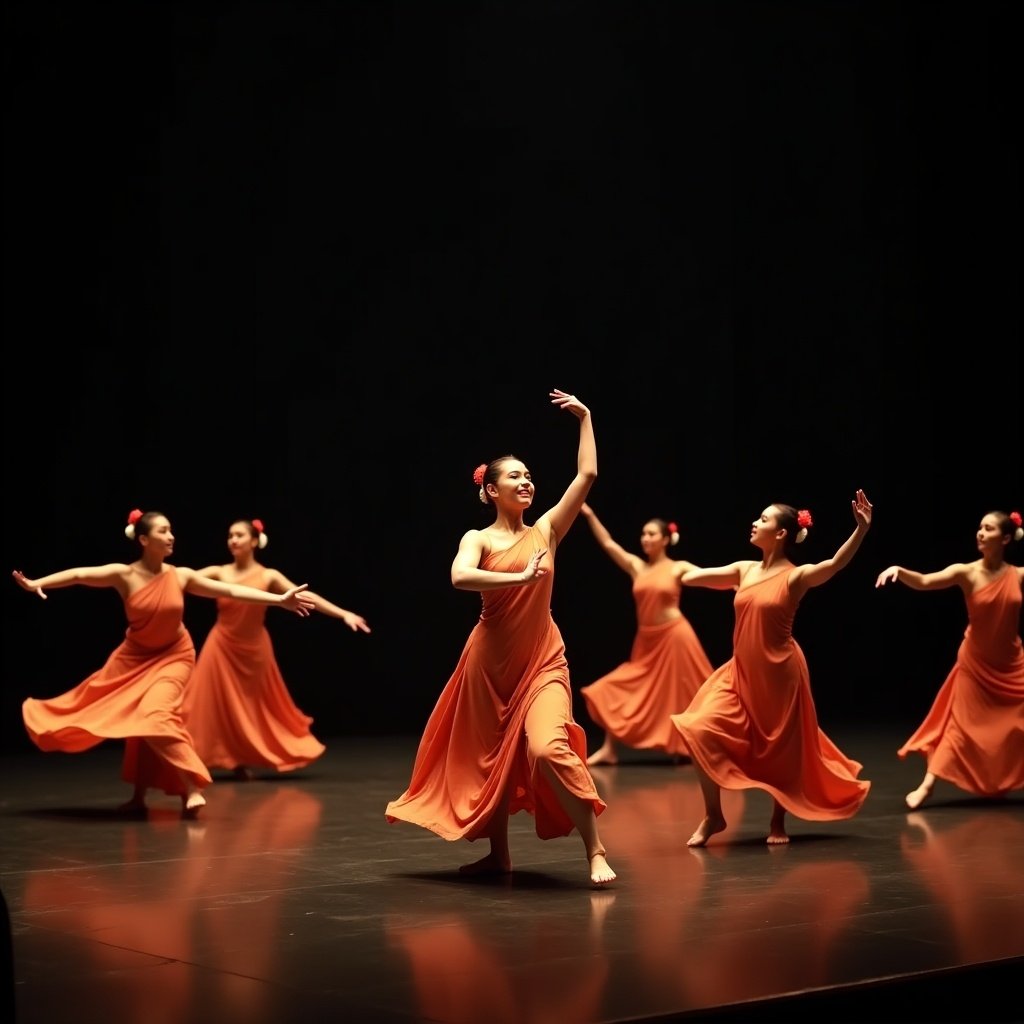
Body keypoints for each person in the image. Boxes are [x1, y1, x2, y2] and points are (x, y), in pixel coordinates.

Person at [385, 389, 616, 887]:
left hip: (542, 661)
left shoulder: (548, 530)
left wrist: (586, 419)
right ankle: (499, 856)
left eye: (529, 475)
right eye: (514, 475)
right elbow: (459, 578)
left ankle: (595, 849)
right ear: (490, 490)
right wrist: (519, 579)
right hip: (488, 666)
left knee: (547, 749)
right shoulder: (480, 538)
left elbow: (588, 475)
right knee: (487, 760)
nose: (526, 481)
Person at [14, 509, 315, 817]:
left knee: (154, 715)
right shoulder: (124, 575)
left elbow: (228, 590)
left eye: (171, 530)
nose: (171, 536)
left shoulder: (179, 575)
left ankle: (192, 784)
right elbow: (79, 575)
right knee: (135, 722)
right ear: (143, 539)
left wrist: (278, 600)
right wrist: (39, 582)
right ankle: (140, 795)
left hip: (175, 656)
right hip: (133, 658)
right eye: (163, 531)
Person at [670, 492, 874, 847]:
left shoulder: (796, 577)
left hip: (780, 674)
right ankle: (713, 815)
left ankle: (779, 819)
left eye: (763, 520)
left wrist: (860, 531)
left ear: (781, 533)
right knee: (698, 728)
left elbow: (834, 565)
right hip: (740, 673)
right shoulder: (744, 570)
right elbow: (692, 577)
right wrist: (666, 567)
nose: (755, 522)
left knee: (781, 749)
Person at [182, 517, 371, 779]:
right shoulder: (219, 572)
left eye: (239, 535)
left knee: (249, 707)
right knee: (215, 704)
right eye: (230, 536)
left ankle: (242, 758)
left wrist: (342, 614)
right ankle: (206, 759)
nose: (233, 540)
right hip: (221, 647)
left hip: (254, 650)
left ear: (255, 541)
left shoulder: (267, 575)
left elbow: (306, 596)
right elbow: (181, 580)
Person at [875, 509, 1024, 810]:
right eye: (980, 527)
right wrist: (900, 571)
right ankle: (927, 786)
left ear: (1006, 538)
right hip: (976, 663)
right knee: (958, 726)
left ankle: (1003, 776)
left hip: (1012, 664)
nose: (981, 533)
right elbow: (926, 581)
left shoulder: (1019, 575)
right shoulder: (966, 572)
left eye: (989, 528)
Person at [577, 504, 714, 765]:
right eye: (643, 534)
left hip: (675, 638)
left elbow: (709, 577)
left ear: (665, 539)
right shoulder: (637, 567)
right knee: (619, 687)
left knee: (682, 692)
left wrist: (738, 581)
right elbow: (608, 544)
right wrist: (590, 515)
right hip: (647, 641)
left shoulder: (678, 567)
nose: (645, 538)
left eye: (651, 534)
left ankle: (689, 747)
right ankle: (610, 749)